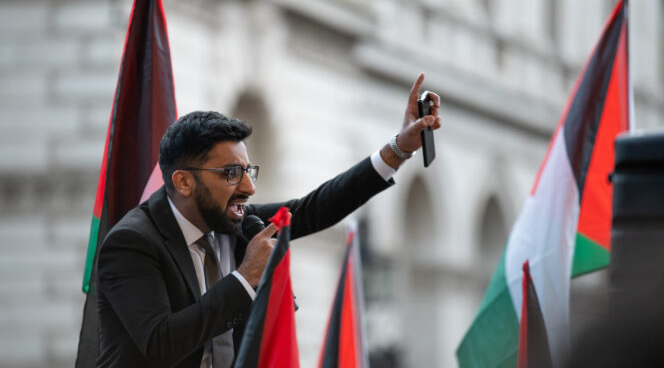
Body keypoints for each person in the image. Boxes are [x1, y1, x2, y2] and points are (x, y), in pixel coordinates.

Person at [96, 74, 442, 368]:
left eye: (248, 171)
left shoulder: (239, 225)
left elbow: (314, 208)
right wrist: (245, 278)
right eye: (231, 174)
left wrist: (398, 149)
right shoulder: (132, 243)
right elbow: (160, 343)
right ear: (183, 182)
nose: (248, 188)